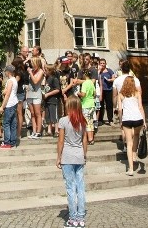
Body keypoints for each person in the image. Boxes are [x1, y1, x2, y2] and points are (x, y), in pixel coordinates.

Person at [57, 95, 88, 228]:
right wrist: (84, 155)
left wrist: (58, 156)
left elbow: (61, 141)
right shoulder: (83, 121)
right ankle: (81, 216)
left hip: (67, 156)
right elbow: (85, 140)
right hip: (79, 155)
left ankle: (73, 217)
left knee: (70, 187)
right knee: (80, 187)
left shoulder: (63, 121)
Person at [117, 73, 144, 175]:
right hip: (138, 118)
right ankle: (134, 154)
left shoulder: (121, 94)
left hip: (127, 119)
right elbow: (141, 107)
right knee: (136, 135)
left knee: (129, 143)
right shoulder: (137, 93)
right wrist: (144, 121)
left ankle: (131, 169)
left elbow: (120, 110)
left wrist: (120, 121)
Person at [0, 64, 19, 149]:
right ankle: (13, 142)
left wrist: (2, 106)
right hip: (14, 103)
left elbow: (7, 94)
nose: (5, 73)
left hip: (9, 104)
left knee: (6, 123)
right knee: (13, 123)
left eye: (6, 72)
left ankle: (7, 142)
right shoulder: (15, 80)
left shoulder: (10, 81)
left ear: (8, 72)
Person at [26, 55, 45, 138]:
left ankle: (38, 132)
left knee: (37, 113)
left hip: (36, 94)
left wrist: (30, 72)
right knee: (32, 114)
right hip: (29, 94)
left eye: (33, 63)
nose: (31, 65)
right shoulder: (32, 70)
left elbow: (36, 81)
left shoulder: (40, 71)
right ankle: (33, 131)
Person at [44, 64, 62, 137]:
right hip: (47, 100)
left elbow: (57, 89)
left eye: (46, 69)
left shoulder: (54, 79)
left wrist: (48, 94)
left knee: (54, 115)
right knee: (48, 116)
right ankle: (49, 130)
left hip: (53, 100)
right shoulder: (47, 78)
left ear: (50, 71)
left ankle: (57, 130)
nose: (44, 71)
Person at [97, 59, 115, 126]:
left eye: (103, 63)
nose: (102, 64)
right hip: (100, 90)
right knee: (100, 105)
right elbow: (96, 77)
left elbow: (114, 78)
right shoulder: (98, 71)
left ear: (105, 63)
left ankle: (110, 120)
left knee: (109, 105)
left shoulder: (109, 70)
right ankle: (100, 120)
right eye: (101, 63)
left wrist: (110, 80)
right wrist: (99, 71)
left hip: (108, 89)